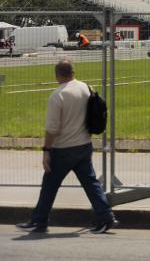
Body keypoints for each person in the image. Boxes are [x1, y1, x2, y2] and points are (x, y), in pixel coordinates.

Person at [16, 60, 117, 234]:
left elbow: (52, 128)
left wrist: (46, 151)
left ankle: (39, 220)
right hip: (84, 144)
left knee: (49, 185)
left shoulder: (58, 95)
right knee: (91, 183)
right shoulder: (85, 88)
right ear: (73, 72)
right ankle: (106, 216)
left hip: (63, 149)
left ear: (57, 75)